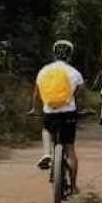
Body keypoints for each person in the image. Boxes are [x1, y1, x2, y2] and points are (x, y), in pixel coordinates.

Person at [32, 39, 87, 188]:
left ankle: (46, 152)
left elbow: (36, 95)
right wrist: (83, 110)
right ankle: (74, 185)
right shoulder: (74, 72)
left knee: (46, 129)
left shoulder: (43, 71)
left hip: (49, 112)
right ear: (70, 55)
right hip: (68, 113)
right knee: (69, 148)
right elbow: (81, 95)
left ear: (54, 54)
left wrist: (35, 109)